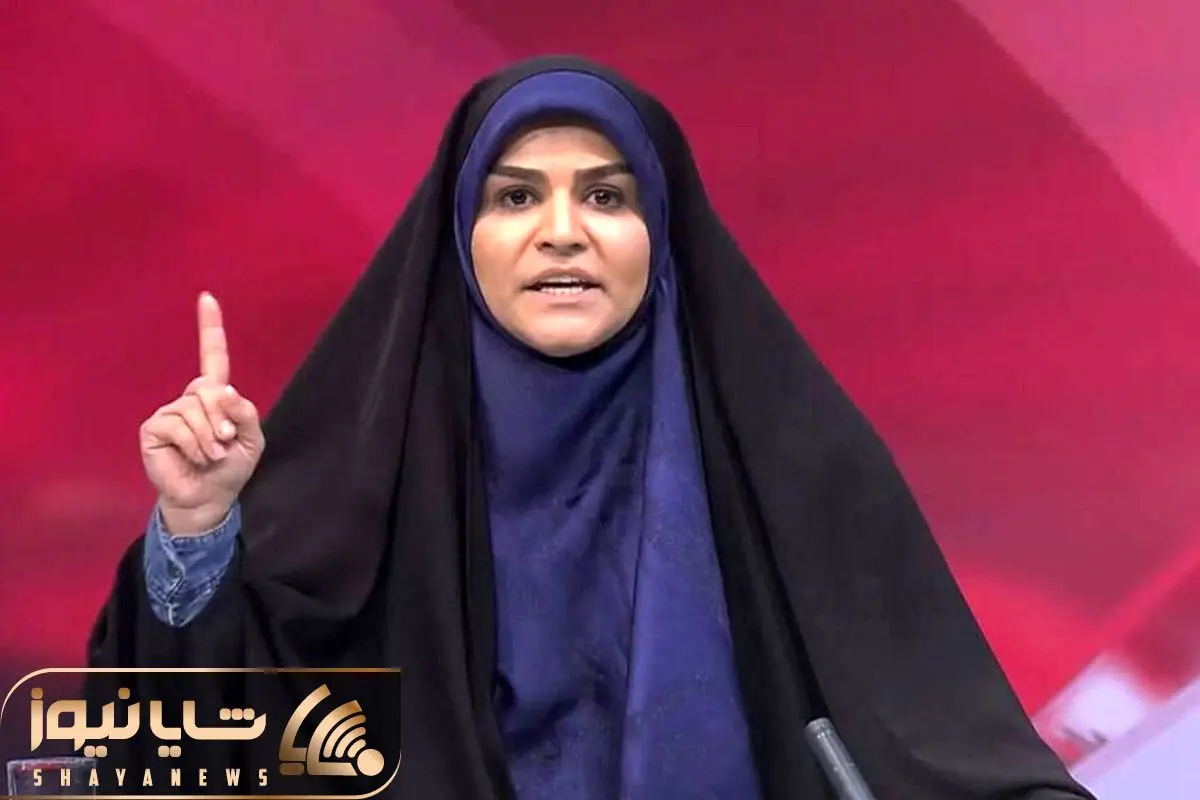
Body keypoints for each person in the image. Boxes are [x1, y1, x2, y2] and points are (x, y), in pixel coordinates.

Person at [87, 55, 1096, 798]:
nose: (562, 232)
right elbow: (178, 748)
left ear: (662, 234)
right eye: (516, 196)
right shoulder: (359, 490)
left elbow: (960, 757)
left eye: (607, 195)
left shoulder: (800, 471)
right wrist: (198, 526)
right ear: (459, 236)